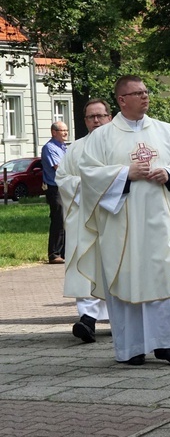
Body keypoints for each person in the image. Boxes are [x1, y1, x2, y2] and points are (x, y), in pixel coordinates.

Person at [78, 75, 170, 366]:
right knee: (127, 279)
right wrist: (125, 174)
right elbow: (89, 174)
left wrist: (168, 173)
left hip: (162, 221)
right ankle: (133, 348)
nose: (144, 97)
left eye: (145, 92)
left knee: (164, 277)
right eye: (137, 93)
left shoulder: (166, 131)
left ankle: (167, 343)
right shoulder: (102, 137)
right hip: (123, 226)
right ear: (121, 100)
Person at [56, 99, 112, 343]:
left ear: (110, 116)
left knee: (115, 265)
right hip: (85, 216)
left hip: (116, 216)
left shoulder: (120, 144)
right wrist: (86, 186)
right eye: (91, 117)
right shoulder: (76, 148)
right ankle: (87, 319)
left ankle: (119, 319)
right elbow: (63, 178)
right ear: (85, 120)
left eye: (100, 115)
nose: (96, 120)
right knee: (87, 264)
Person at [41, 121, 68, 264]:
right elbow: (59, 167)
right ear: (54, 132)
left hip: (65, 187)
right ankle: (54, 253)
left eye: (66, 130)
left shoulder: (65, 148)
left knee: (66, 220)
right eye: (62, 130)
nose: (65, 133)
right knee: (58, 219)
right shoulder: (49, 148)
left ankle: (64, 252)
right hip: (55, 188)